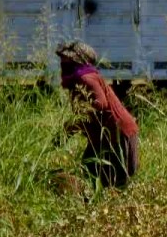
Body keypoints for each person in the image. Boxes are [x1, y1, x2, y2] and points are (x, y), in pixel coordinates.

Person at [56, 41, 139, 188]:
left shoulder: (86, 78)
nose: (62, 62)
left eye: (66, 58)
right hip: (103, 136)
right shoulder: (77, 80)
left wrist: (74, 122)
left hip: (116, 133)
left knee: (116, 181)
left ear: (77, 60)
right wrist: (66, 132)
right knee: (91, 171)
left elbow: (100, 103)